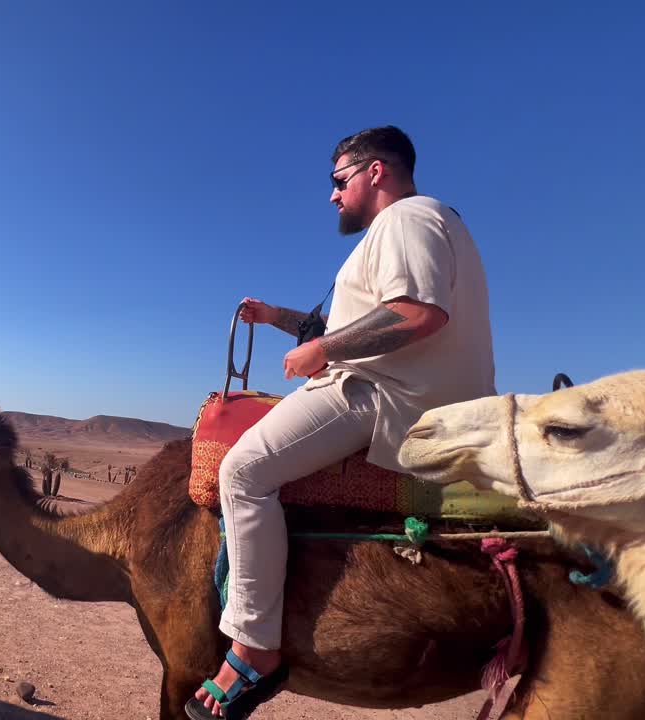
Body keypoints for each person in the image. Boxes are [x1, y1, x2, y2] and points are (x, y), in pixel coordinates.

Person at [187, 126, 496, 719]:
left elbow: (417, 313)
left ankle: (255, 645)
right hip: (397, 387)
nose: (332, 195)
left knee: (243, 471)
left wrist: (323, 353)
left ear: (374, 171)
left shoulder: (408, 219)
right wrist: (278, 317)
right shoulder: (422, 226)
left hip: (386, 396)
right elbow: (348, 324)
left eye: (338, 180)